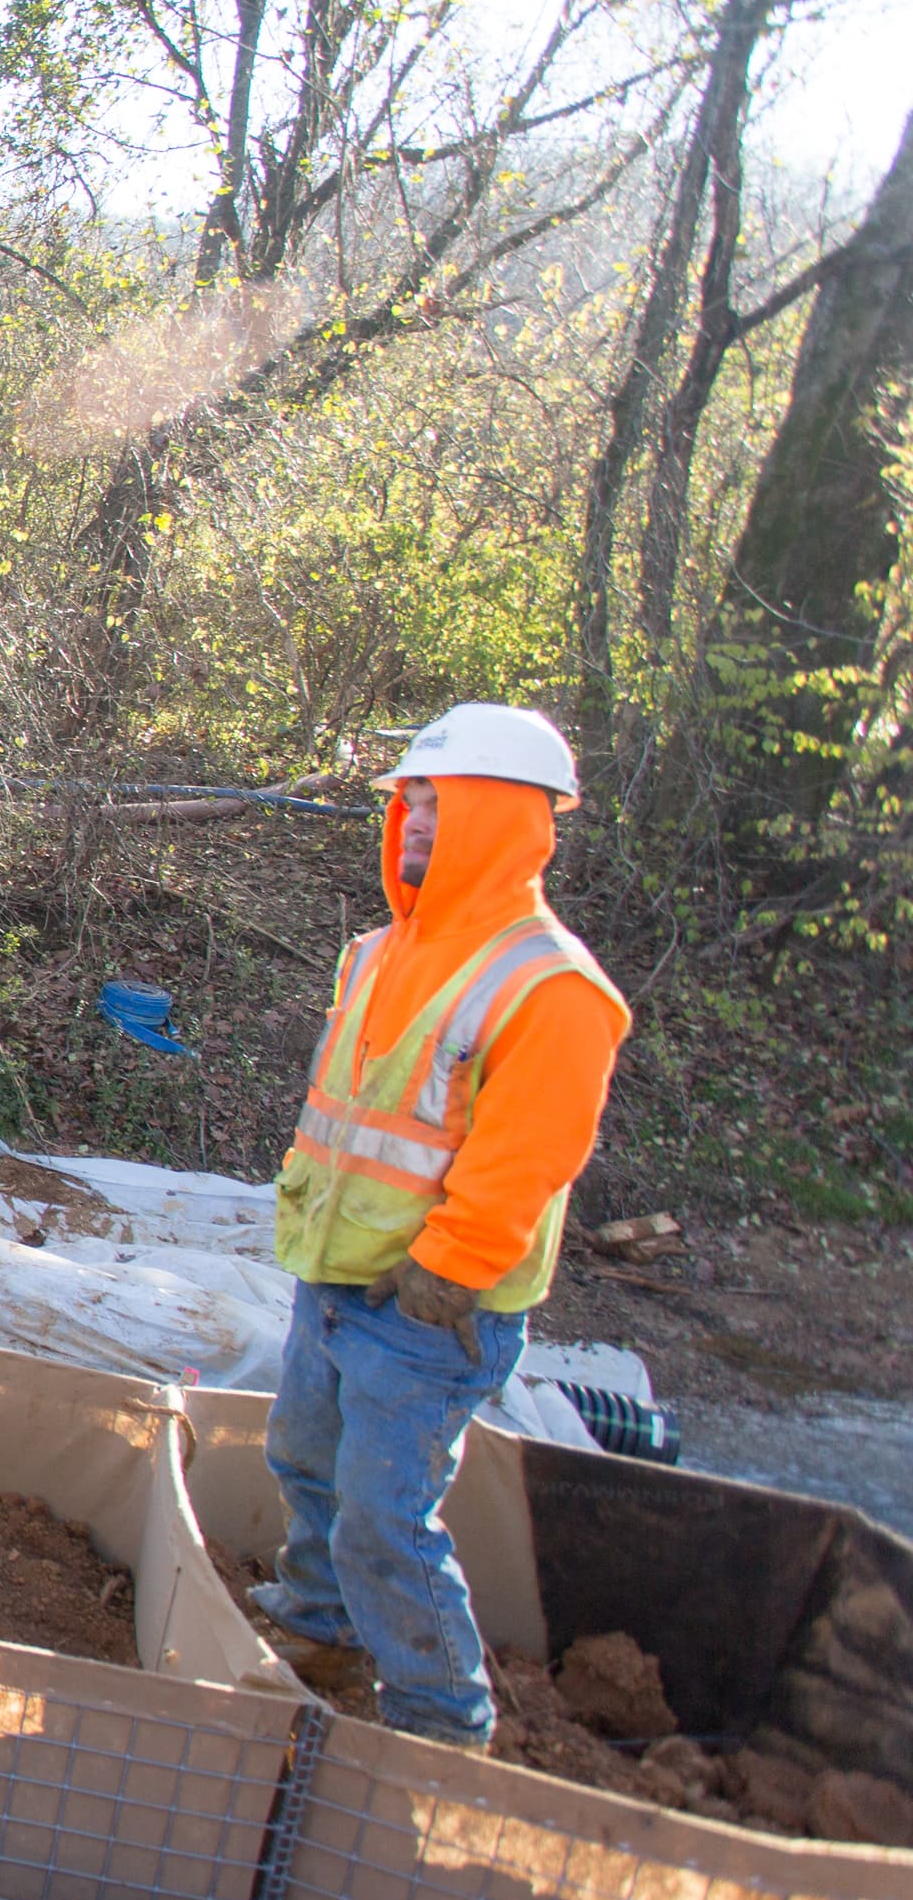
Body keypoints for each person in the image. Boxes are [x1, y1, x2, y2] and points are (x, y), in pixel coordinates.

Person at [255, 702, 629, 1749]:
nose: (416, 823)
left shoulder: (550, 985)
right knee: (305, 1459)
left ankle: (437, 1724)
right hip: (337, 1274)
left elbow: (529, 1156)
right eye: (411, 804)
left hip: (425, 1310)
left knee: (385, 1515)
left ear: (509, 819)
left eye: (441, 804)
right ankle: (317, 1630)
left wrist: (448, 1269)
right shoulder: (377, 952)